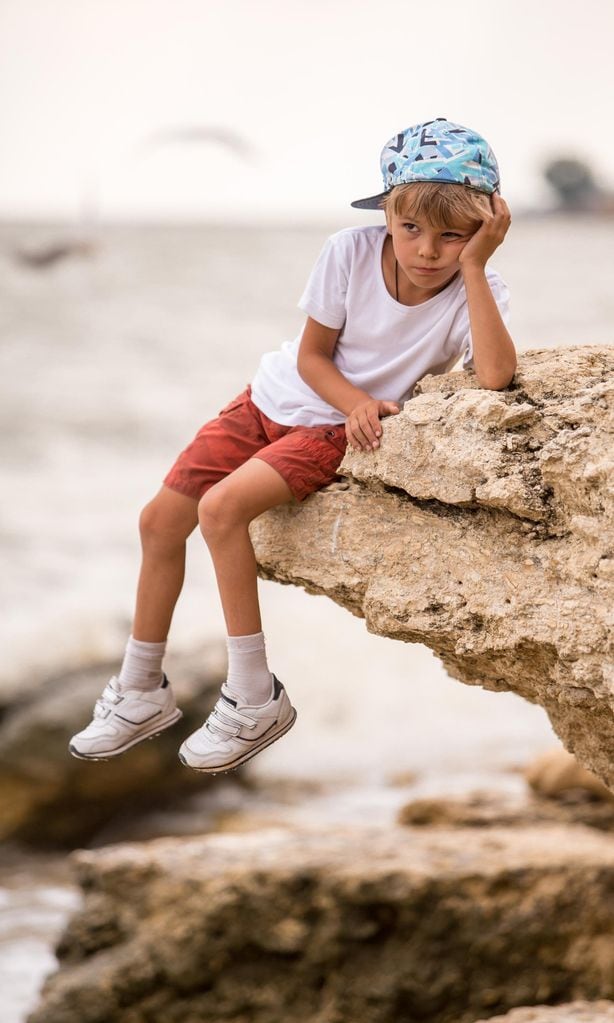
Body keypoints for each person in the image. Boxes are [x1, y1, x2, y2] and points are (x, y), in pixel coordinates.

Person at [69, 117, 516, 773]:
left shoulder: (476, 289)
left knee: (221, 510)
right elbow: (311, 358)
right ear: (387, 214)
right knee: (158, 520)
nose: (428, 250)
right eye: (411, 227)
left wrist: (476, 266)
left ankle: (254, 697)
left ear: (483, 230)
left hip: (330, 431)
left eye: (453, 235)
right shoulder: (348, 252)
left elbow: (499, 375)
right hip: (270, 399)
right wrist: (357, 398)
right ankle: (141, 690)